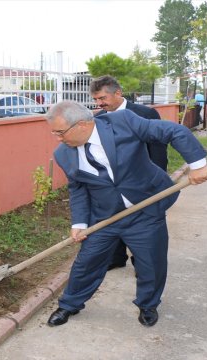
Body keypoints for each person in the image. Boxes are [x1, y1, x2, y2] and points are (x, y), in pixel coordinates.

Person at [44, 101, 207, 328]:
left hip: (145, 209)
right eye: (54, 133)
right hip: (105, 217)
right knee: (87, 262)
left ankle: (148, 304)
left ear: (82, 124)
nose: (58, 138)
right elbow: (78, 188)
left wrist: (197, 164)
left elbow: (173, 130)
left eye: (60, 132)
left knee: (151, 262)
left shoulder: (123, 122)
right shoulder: (63, 154)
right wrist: (80, 222)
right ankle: (69, 304)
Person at [89, 75, 168, 271]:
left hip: (142, 182)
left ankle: (141, 263)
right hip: (113, 183)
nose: (99, 103)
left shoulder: (146, 114)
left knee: (143, 225)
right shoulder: (99, 118)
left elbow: (157, 150)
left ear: (118, 93)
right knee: (114, 219)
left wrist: (157, 183)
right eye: (96, 100)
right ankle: (116, 257)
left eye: (102, 98)